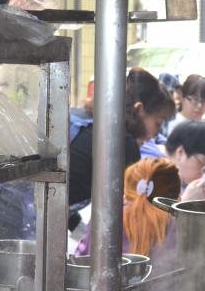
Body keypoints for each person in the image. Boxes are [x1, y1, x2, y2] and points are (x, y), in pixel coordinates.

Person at [68, 68, 175, 230]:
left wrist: (80, 232)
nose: (155, 135)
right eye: (157, 123)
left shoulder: (97, 124)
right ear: (139, 110)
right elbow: (135, 212)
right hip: (28, 212)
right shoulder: (123, 143)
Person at [75, 158, 181, 266]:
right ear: (176, 194)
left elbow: (82, 258)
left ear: (129, 188)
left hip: (102, 281)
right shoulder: (181, 224)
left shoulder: (107, 214)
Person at [162, 120, 205, 202]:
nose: (204, 171)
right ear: (180, 152)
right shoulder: (153, 175)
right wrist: (186, 200)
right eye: (204, 160)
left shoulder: (177, 177)